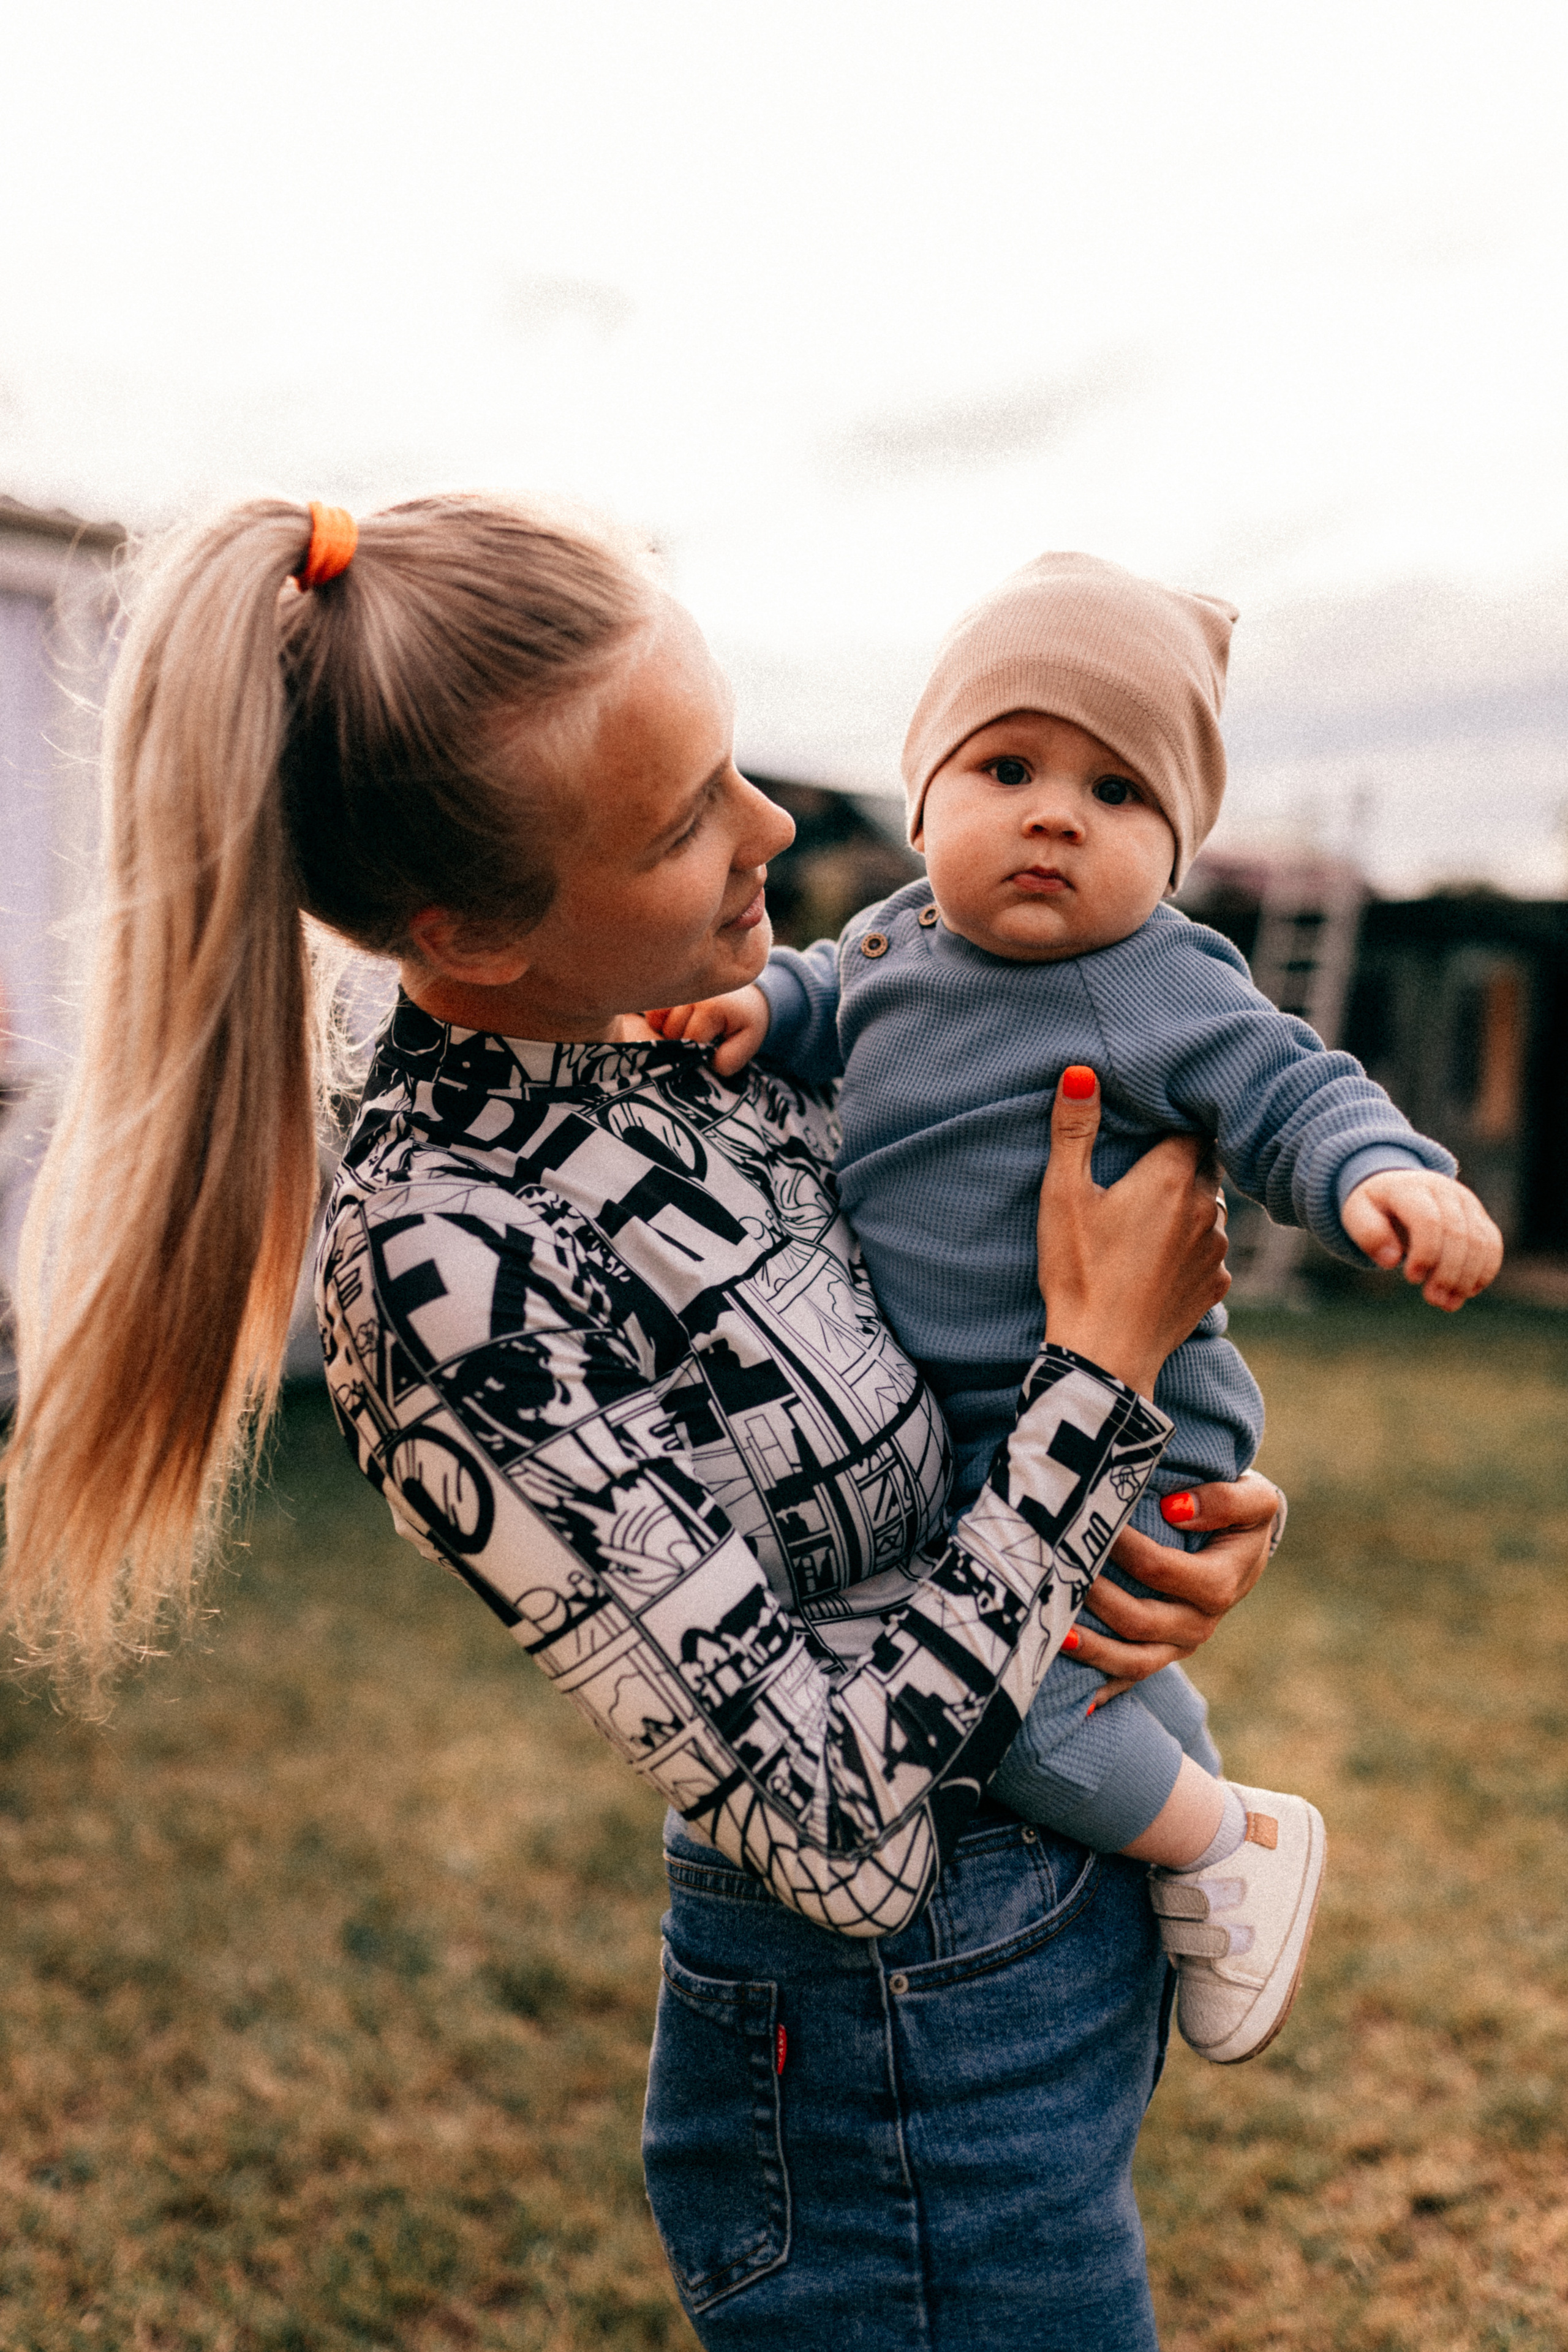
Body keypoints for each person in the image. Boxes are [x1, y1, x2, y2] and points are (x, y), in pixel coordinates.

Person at [4, 497, 1281, 2350]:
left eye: (732, 763)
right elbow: (835, 1828)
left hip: (1059, 1940)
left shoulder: (701, 1023)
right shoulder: (450, 1268)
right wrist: (1092, 1402)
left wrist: (1178, 1497)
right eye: (684, 818)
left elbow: (977, 1381)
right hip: (899, 2048)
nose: (773, 830)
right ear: (466, 929)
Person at [647, 551, 1504, 2067]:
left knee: (1002, 1700)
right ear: (923, 806)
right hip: (981, 1422)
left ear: (1172, 853)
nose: (1053, 814)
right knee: (1091, 1664)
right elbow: (812, 1000)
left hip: (1131, 1418)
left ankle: (1217, 1843)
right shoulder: (895, 940)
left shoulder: (1162, 979)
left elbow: (1289, 1087)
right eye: (1008, 766)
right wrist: (746, 1011)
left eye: (1118, 796)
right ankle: (1184, 1805)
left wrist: (1384, 1177)